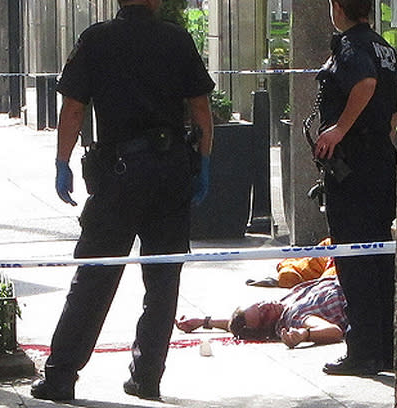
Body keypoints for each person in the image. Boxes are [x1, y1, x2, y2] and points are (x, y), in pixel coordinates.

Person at [31, 0, 215, 401]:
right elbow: (200, 109)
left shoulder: (96, 40)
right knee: (163, 278)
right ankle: (147, 377)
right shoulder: (176, 40)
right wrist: (203, 164)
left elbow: (74, 108)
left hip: (120, 174)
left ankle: (61, 375)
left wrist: (62, 162)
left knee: (95, 273)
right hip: (170, 173)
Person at [311, 0, 397, 376]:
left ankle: (363, 350)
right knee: (380, 255)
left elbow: (365, 82)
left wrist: (339, 129)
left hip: (354, 165)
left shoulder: (351, 46)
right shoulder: (385, 48)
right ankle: (385, 345)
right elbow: (393, 101)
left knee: (355, 257)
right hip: (379, 158)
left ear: (338, 7)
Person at [176, 277, 348, 348]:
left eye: (260, 304)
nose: (267, 305)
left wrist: (205, 321)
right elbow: (334, 332)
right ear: (270, 328)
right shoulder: (293, 318)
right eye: (264, 314)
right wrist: (305, 335)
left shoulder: (284, 303)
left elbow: (236, 325)